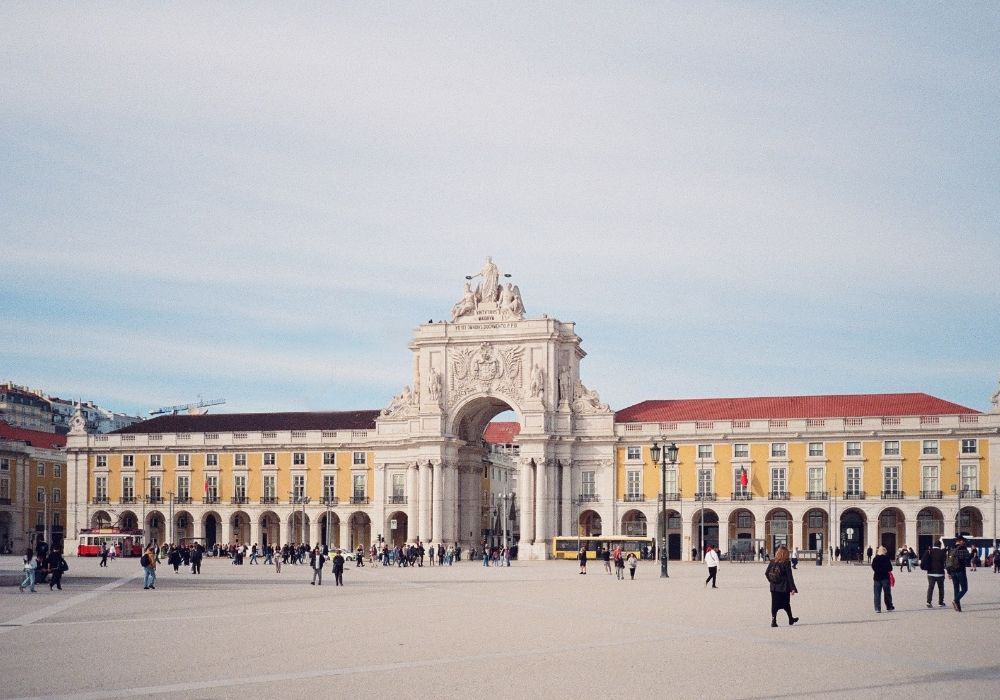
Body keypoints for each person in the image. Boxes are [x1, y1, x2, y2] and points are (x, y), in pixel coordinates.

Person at [765, 545, 798, 627]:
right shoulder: (786, 563)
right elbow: (789, 577)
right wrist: (792, 588)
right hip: (784, 588)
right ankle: (790, 619)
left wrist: (772, 581)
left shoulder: (772, 561)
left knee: (774, 604)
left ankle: (774, 621)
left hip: (774, 588)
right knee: (786, 603)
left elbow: (766, 573)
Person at [947, 536, 971, 612]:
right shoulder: (963, 548)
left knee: (956, 589)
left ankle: (958, 608)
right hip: (960, 571)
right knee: (964, 589)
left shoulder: (951, 549)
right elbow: (967, 559)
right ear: (960, 541)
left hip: (952, 571)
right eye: (963, 541)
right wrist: (971, 553)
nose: (964, 542)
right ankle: (955, 600)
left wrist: (949, 572)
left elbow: (947, 561)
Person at [920, 540, 947, 608]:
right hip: (940, 573)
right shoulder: (942, 552)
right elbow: (945, 562)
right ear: (940, 545)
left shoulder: (930, 551)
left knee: (930, 588)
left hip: (931, 573)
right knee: (941, 588)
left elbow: (924, 560)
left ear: (934, 545)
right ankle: (940, 602)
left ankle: (928, 602)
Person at [871, 545, 894, 613]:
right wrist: (885, 570)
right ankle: (889, 606)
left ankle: (877, 608)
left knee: (877, 594)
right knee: (887, 593)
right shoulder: (886, 558)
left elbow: (873, 567)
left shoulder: (875, 559)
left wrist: (878, 571)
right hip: (885, 578)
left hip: (877, 578)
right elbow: (890, 568)